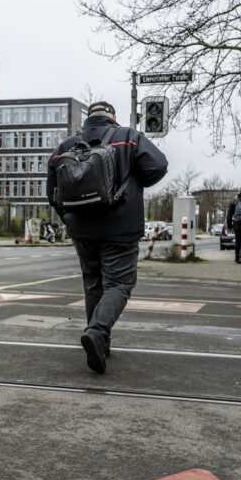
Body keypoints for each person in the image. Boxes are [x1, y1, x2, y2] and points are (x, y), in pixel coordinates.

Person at [47, 100, 168, 374]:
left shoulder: (65, 147)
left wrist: (68, 219)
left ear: (88, 118)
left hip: (82, 229)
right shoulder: (130, 138)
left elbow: (52, 191)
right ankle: (98, 333)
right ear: (112, 117)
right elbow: (158, 166)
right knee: (119, 284)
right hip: (121, 227)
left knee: (93, 283)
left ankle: (100, 342)